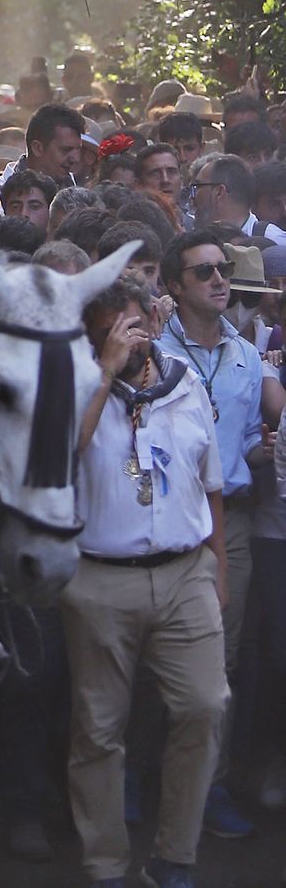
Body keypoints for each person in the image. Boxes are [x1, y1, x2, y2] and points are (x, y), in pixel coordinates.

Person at [62, 271, 228, 888]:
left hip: (186, 572)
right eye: (107, 335)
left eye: (130, 329)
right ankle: (105, 864)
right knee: (98, 730)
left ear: (152, 324)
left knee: (204, 707)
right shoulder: (79, 389)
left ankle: (174, 856)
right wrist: (102, 375)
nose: (124, 343)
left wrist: (220, 571)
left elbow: (212, 490)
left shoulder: (186, 387)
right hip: (101, 580)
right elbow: (56, 462)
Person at [159, 227, 283, 840]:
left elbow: (262, 429)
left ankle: (210, 786)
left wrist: (254, 458)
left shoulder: (244, 354)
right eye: (203, 272)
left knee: (224, 661)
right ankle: (148, 781)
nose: (217, 280)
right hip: (162, 519)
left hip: (227, 522)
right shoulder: (152, 349)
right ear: (175, 287)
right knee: (153, 656)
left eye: (221, 271)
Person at [190, 154, 257, 241]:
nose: (192, 196)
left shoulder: (273, 240)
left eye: (197, 186)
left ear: (219, 192)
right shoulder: (195, 242)